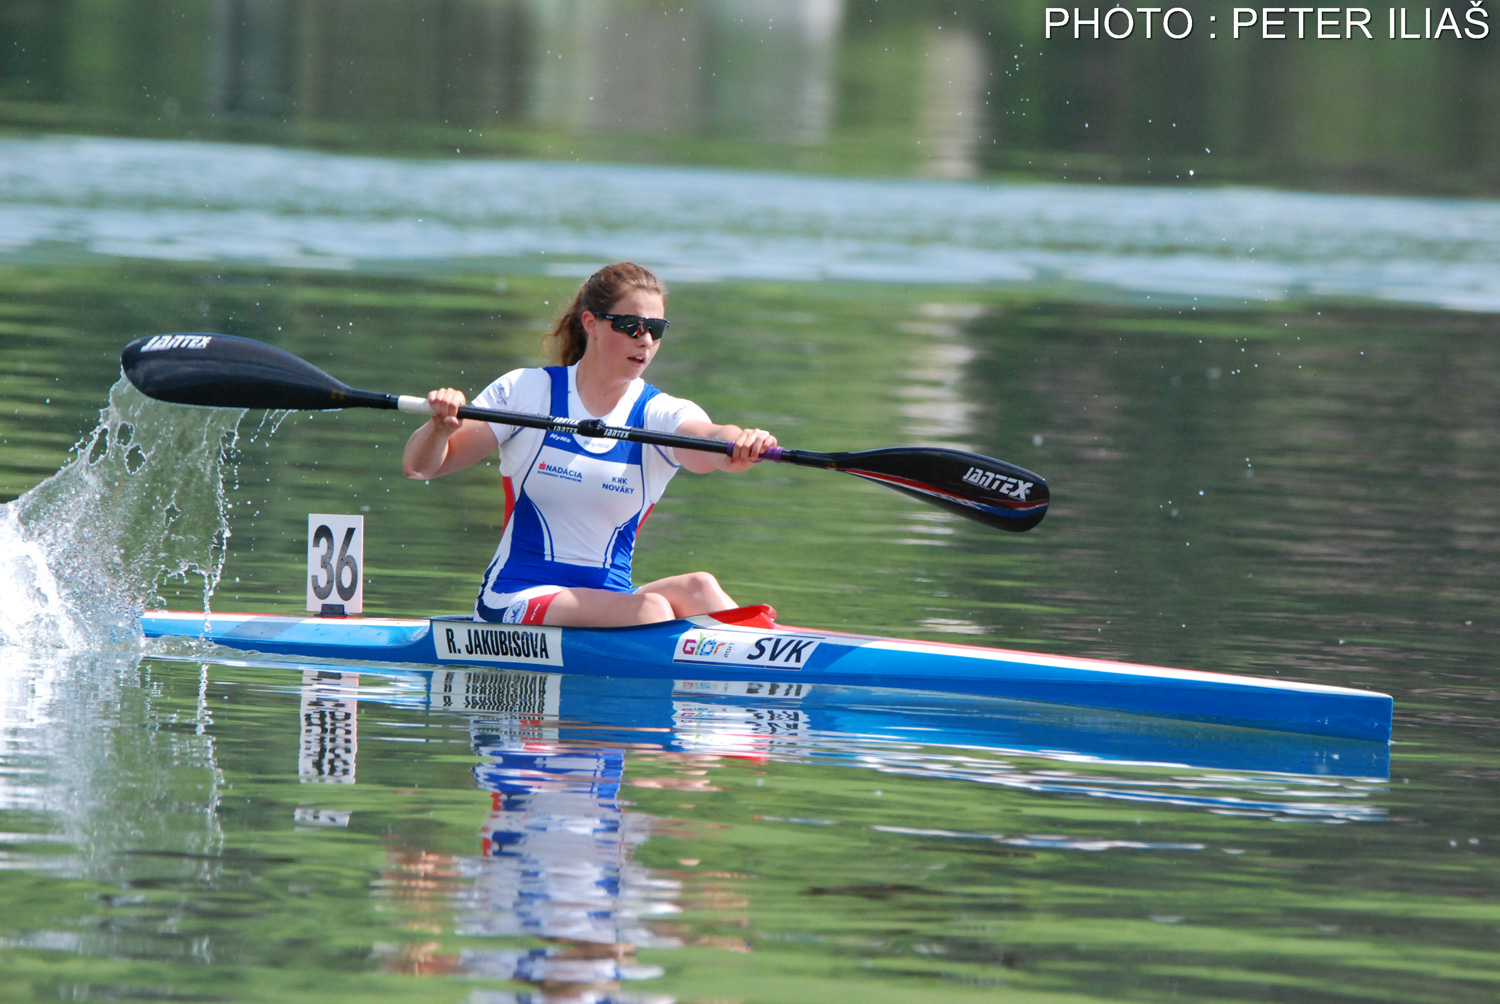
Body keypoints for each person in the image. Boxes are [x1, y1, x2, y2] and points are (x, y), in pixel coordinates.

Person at [402, 262, 776, 627]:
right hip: (516, 597)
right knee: (651, 611)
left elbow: (710, 439)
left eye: (656, 328)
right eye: (631, 325)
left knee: (700, 587)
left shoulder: (661, 412)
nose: (644, 339)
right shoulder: (528, 392)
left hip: (613, 601)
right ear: (591, 323)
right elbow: (421, 466)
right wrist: (440, 428)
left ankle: (775, 658)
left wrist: (739, 442)